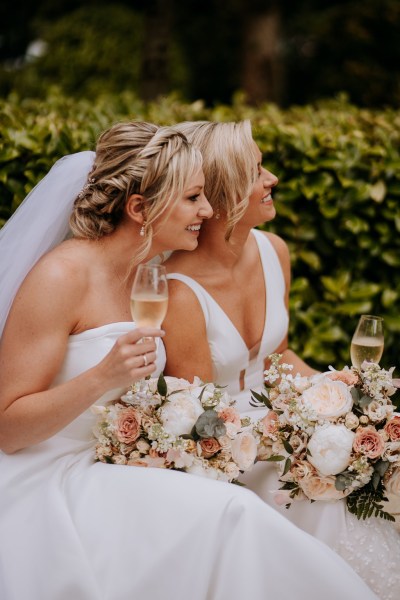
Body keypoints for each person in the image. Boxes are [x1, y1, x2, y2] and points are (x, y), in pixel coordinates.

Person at [0, 120, 379, 600]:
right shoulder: (62, 276)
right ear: (139, 208)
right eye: (193, 198)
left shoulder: (149, 276)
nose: (207, 209)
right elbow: (8, 429)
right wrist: (102, 377)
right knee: (231, 515)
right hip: (49, 474)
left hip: (119, 462)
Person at [163, 119, 400, 600]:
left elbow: (278, 355)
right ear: (225, 195)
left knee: (360, 466)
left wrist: (343, 400)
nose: (271, 179)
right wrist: (300, 436)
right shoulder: (177, 291)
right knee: (323, 493)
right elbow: (201, 421)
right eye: (256, 172)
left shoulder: (274, 251)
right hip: (227, 448)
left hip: (280, 421)